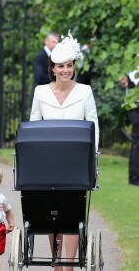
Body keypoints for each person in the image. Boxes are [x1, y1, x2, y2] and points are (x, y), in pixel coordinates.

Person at [30, 31, 99, 271]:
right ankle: (57, 264)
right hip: (47, 163)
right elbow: (33, 127)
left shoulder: (85, 91)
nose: (65, 70)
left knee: (72, 215)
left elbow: (93, 127)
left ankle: (68, 267)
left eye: (69, 65)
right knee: (52, 217)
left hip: (76, 162)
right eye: (60, 66)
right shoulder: (41, 92)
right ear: (53, 68)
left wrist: (92, 157)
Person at [119, 61, 139, 186]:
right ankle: (134, 178)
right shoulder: (133, 67)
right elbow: (131, 84)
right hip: (134, 107)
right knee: (137, 142)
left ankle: (134, 177)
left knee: (136, 143)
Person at [31, 32, 59, 102]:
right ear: (46, 41)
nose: (56, 45)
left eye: (57, 42)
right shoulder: (39, 56)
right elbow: (39, 78)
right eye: (53, 42)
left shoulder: (57, 56)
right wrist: (57, 78)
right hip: (41, 97)